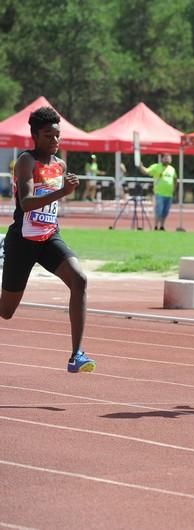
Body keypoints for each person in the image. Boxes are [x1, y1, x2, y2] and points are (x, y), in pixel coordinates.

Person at [0, 106, 94, 373]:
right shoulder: (26, 161)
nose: (55, 141)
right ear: (35, 136)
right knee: (6, 311)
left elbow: (51, 202)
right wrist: (62, 192)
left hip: (50, 237)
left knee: (80, 280)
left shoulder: (60, 165)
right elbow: (27, 203)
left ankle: (77, 355)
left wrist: (66, 189)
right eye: (49, 135)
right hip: (22, 242)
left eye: (58, 135)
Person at [138, 153, 176, 231]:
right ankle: (155, 226)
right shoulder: (156, 167)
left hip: (169, 194)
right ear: (162, 159)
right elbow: (146, 171)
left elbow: (175, 179)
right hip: (159, 193)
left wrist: (174, 189)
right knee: (159, 209)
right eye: (166, 158)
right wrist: (140, 166)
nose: (167, 159)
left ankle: (162, 226)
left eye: (169, 158)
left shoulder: (172, 169)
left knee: (165, 211)